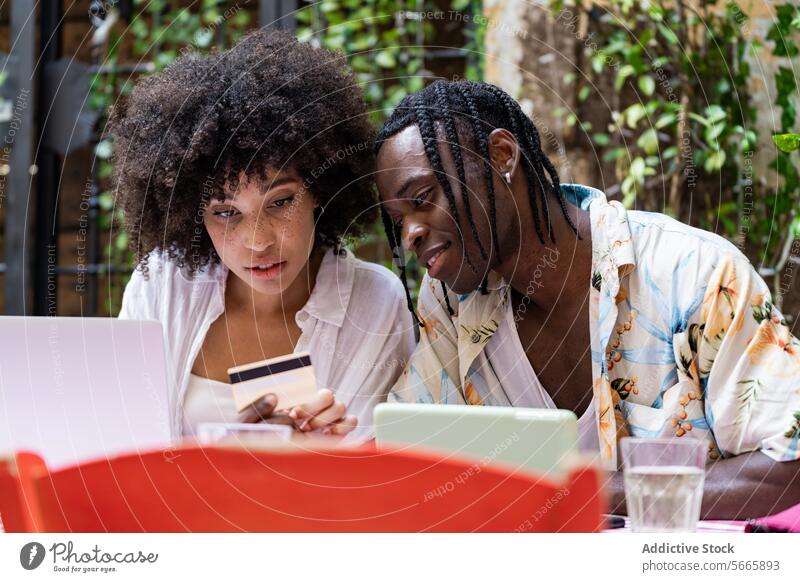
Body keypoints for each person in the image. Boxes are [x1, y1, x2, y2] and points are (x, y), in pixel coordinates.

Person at [375, 79, 800, 518]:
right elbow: (410, 451)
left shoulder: (693, 272)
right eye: (397, 220)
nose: (411, 234)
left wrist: (577, 492)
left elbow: (788, 465)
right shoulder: (450, 301)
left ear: (502, 156)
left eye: (422, 199)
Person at [112, 30, 414, 441]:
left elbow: (363, 480)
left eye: (280, 202)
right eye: (225, 212)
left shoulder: (373, 302)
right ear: (192, 213)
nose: (258, 241)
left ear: (319, 191)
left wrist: (320, 459)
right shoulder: (163, 285)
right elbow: (124, 448)